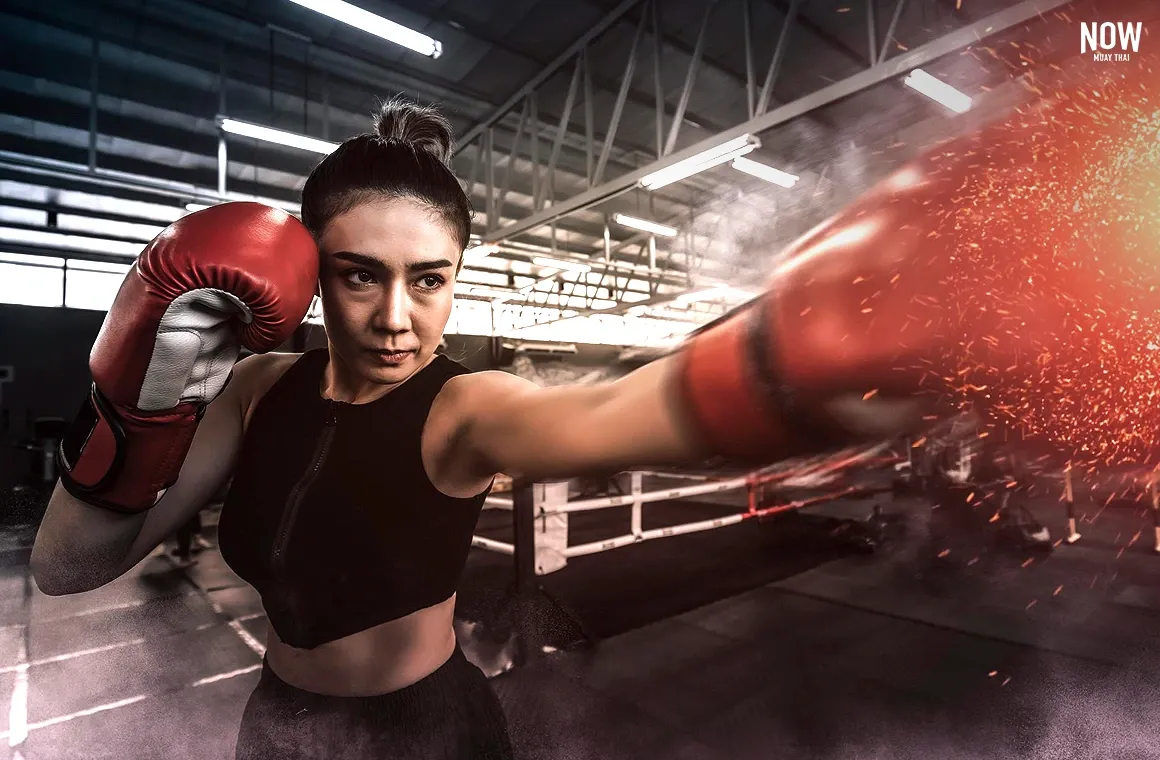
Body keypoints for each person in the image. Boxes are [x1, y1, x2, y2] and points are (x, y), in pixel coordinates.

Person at [27, 51, 1160, 758]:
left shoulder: (466, 412)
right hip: (272, 731)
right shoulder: (259, 391)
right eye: (360, 274)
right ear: (314, 274)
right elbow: (70, 566)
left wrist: (796, 359)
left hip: (422, 739)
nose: (393, 317)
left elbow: (631, 411)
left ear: (454, 278)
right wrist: (144, 384)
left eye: (429, 280)